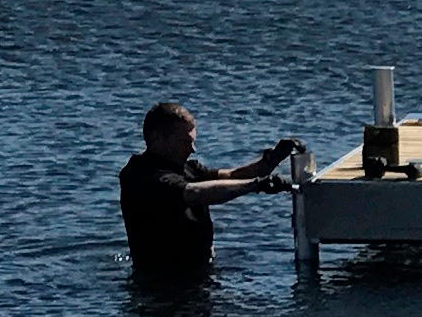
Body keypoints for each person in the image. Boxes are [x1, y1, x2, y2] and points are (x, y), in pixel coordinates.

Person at [118, 102, 296, 278]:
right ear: (157, 138)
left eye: (192, 142)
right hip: (160, 281)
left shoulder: (188, 168)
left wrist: (273, 159)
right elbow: (195, 193)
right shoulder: (141, 175)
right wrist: (256, 185)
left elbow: (233, 176)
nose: (192, 149)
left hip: (198, 271)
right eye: (184, 142)